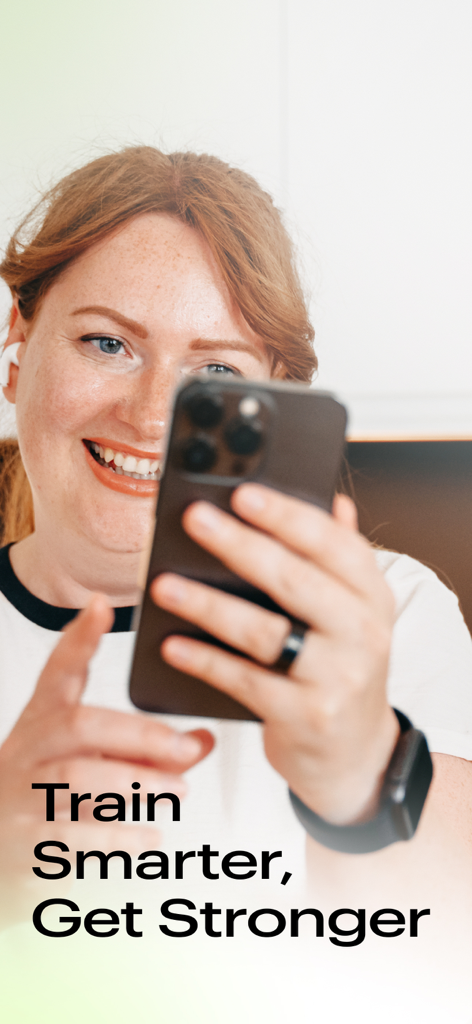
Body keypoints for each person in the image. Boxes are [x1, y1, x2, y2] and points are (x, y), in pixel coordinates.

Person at [0, 146, 471, 930]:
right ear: (18, 348)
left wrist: (364, 781)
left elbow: (447, 971)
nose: (152, 416)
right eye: (106, 343)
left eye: (215, 373)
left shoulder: (390, 615)